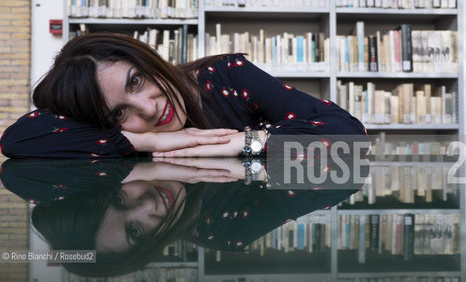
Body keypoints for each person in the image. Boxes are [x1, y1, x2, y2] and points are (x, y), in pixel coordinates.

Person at [0, 32, 368, 159]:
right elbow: (18, 139)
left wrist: (240, 142)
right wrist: (148, 141)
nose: (147, 108)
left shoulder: (226, 76)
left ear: (147, 59)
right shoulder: (121, 134)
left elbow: (349, 138)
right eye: (118, 114)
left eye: (136, 81)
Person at [1, 157, 363, 277]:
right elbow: (345, 165)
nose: (150, 207)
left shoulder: (141, 121)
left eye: (116, 197)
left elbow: (15, 161)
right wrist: (230, 155)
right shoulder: (225, 227)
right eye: (136, 231)